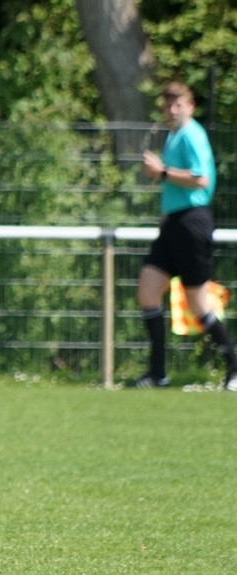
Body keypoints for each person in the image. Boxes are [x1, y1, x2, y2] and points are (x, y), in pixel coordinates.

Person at [138, 80, 237, 391]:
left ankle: (234, 369)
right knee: (147, 292)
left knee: (198, 304)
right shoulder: (173, 136)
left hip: (193, 223)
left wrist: (163, 172)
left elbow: (201, 179)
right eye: (167, 104)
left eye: (177, 104)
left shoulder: (192, 134)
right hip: (173, 225)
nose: (171, 110)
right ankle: (157, 373)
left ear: (190, 107)